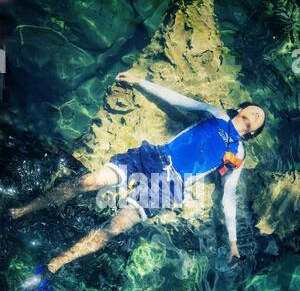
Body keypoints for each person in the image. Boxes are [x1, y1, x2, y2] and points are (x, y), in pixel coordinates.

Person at [9, 72, 266, 274]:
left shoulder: (239, 154)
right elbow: (178, 99)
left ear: (254, 132)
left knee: (117, 227)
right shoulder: (216, 114)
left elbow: (228, 196)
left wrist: (233, 243)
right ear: (241, 108)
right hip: (153, 157)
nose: (257, 114)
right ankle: (26, 208)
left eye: (260, 118)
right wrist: (141, 82)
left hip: (170, 185)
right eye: (255, 109)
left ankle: (60, 261)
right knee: (88, 181)